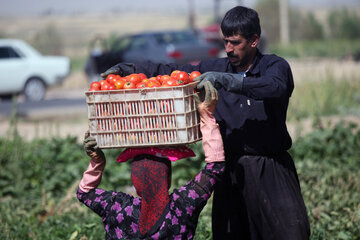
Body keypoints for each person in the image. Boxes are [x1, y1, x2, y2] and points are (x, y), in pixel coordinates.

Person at [100, 5, 310, 240]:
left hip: (270, 169)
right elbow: (174, 71)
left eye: (235, 42)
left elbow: (275, 87)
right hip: (231, 170)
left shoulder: (274, 66)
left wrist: (231, 82)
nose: (228, 48)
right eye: (225, 42)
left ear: (254, 40)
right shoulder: (215, 67)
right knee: (232, 234)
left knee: (290, 233)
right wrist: (133, 69)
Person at [77, 81, 226, 239]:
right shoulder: (182, 205)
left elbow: (84, 193)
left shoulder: (118, 207)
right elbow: (215, 168)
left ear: (135, 182)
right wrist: (206, 114)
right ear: (167, 178)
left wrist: (97, 162)